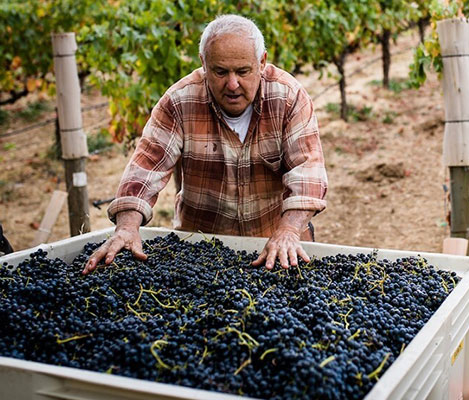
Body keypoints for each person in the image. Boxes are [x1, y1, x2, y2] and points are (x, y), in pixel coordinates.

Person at [83, 14, 327, 273]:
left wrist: (289, 230)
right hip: (202, 253)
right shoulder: (179, 102)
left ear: (262, 62)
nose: (232, 84)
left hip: (276, 246)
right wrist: (127, 227)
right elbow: (145, 169)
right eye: (220, 72)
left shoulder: (289, 98)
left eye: (243, 71)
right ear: (204, 63)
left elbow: (308, 173)